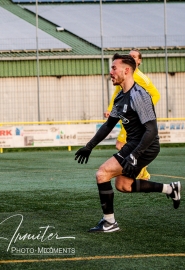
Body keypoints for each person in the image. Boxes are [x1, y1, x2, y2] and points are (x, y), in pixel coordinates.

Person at [75, 53, 181, 233]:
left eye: (114, 68)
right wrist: (89, 146)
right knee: (123, 185)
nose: (111, 72)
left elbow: (152, 130)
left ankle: (109, 223)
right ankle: (170, 189)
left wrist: (134, 155)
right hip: (134, 144)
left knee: (102, 173)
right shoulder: (120, 97)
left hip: (146, 145)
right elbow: (108, 125)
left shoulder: (139, 95)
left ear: (127, 70)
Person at [104, 49, 160, 180]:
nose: (132, 58)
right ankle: (138, 170)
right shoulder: (125, 76)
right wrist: (110, 108)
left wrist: (142, 110)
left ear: (139, 61)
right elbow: (117, 94)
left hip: (135, 119)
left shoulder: (139, 78)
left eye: (134, 56)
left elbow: (156, 95)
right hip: (126, 117)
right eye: (130, 56)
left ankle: (141, 172)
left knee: (122, 144)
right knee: (121, 143)